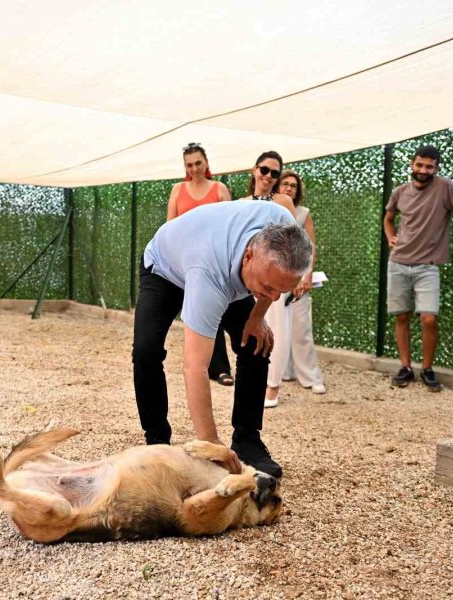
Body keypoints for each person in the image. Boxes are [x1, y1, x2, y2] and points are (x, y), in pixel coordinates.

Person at [133, 201, 314, 478]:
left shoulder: (284, 226)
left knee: (256, 342)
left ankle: (247, 440)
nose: (274, 296)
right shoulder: (209, 273)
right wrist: (212, 446)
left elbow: (273, 288)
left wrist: (257, 317)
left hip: (223, 263)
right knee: (146, 350)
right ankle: (156, 442)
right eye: (267, 288)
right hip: (165, 268)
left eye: (282, 291)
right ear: (249, 256)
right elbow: (195, 367)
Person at [383, 145, 453, 392]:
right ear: (412, 164)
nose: (423, 170)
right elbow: (388, 218)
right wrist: (390, 236)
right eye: (419, 165)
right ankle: (406, 368)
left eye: (429, 166)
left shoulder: (446, 187)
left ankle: (427, 369)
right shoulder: (400, 191)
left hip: (427, 267)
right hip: (398, 262)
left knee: (429, 318)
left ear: (436, 168)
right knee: (402, 316)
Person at [166, 143, 235, 387]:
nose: (194, 168)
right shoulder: (177, 190)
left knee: (218, 312)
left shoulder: (220, 189)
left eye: (198, 163)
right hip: (186, 263)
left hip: (215, 261)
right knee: (196, 315)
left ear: (206, 162)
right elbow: (170, 228)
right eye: (189, 164)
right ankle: (200, 368)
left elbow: (229, 226)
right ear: (185, 167)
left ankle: (221, 368)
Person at [263, 170, 327, 408]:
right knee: (278, 329)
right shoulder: (270, 209)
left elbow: (310, 245)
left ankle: (311, 376)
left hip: (300, 278)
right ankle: (283, 373)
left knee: (302, 330)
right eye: (285, 184)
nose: (289, 188)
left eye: (293, 185)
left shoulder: (303, 213)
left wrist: (306, 276)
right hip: (276, 278)